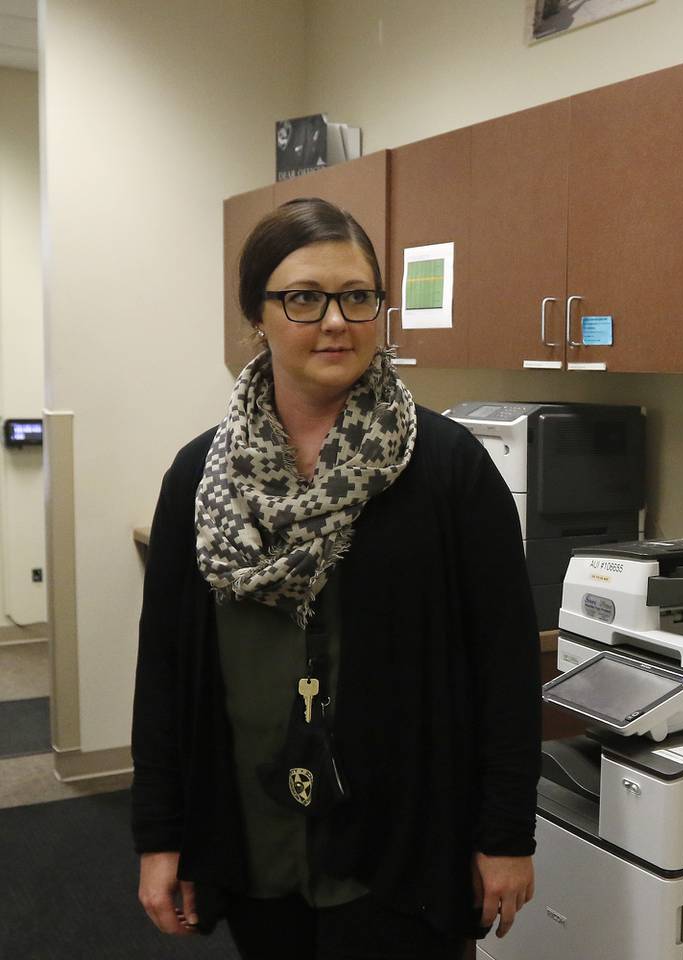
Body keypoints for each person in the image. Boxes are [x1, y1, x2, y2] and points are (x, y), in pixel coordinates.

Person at [131, 197, 541, 958]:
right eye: (303, 297)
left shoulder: (448, 472)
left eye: (358, 296)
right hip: (254, 837)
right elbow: (164, 671)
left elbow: (507, 670)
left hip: (403, 845)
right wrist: (161, 835)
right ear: (257, 314)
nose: (335, 320)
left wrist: (507, 833)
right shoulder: (199, 478)